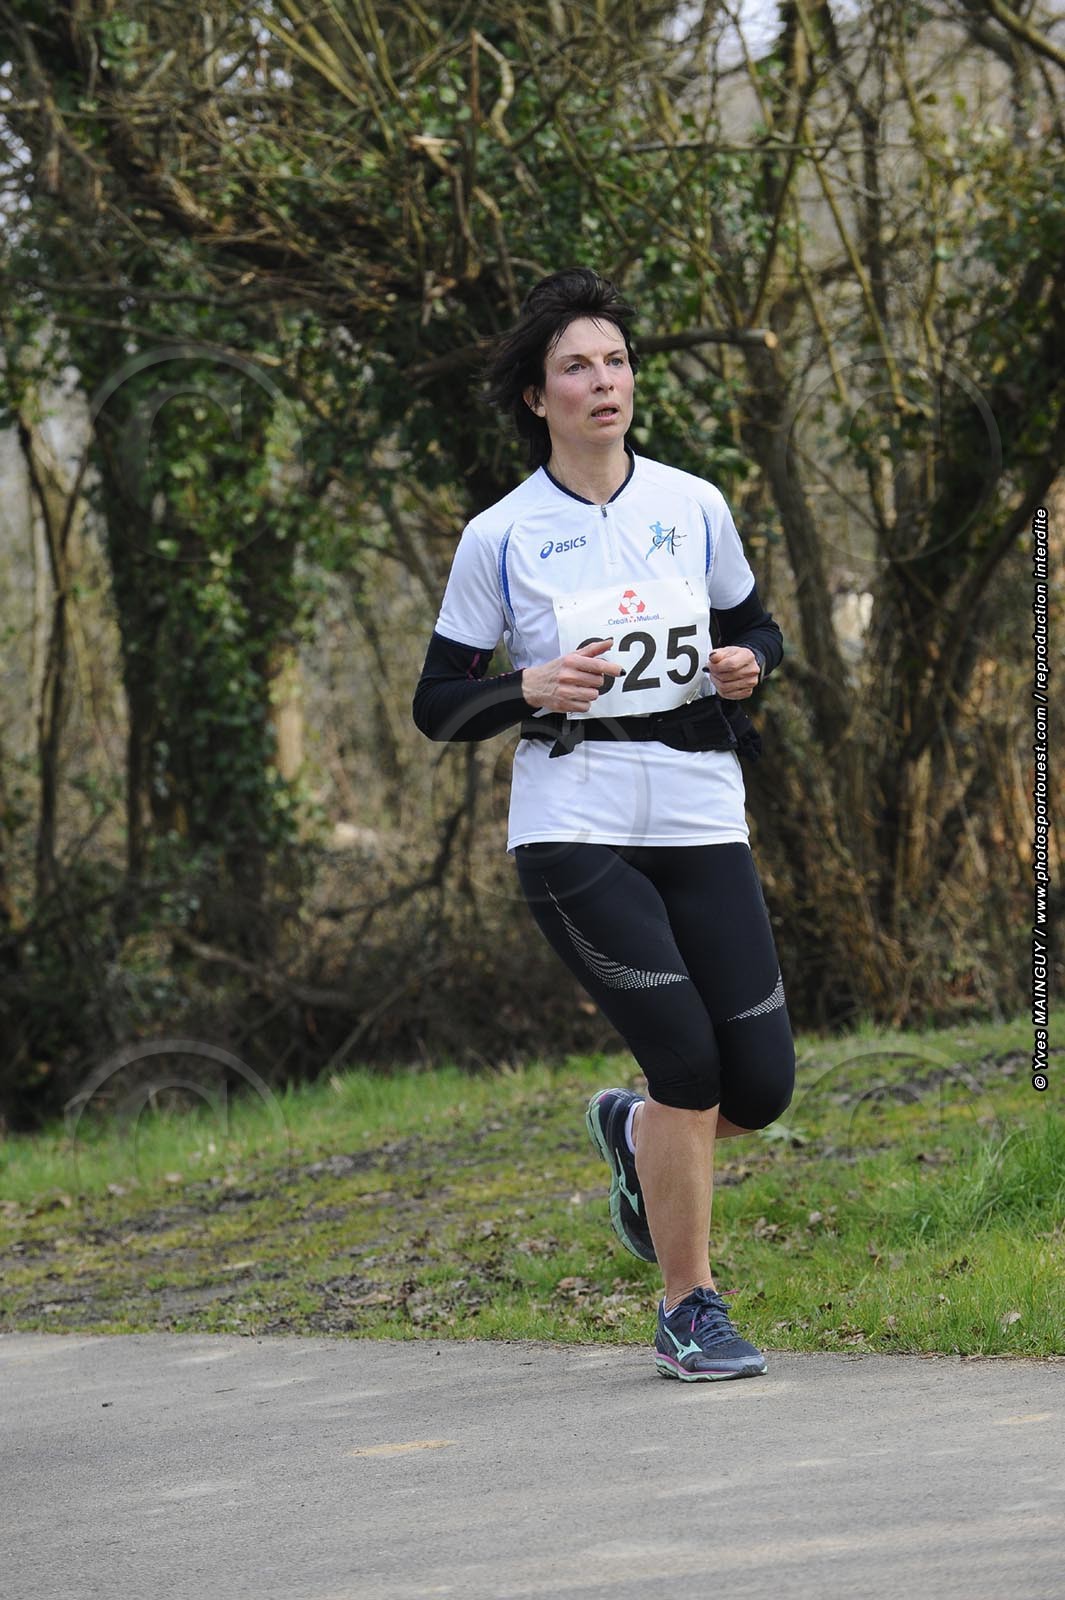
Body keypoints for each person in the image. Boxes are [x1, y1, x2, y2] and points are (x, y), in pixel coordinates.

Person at [413, 267, 795, 1381]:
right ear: (539, 398)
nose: (603, 381)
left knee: (758, 1085)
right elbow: (437, 703)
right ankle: (690, 1306)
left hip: (697, 805)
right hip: (573, 819)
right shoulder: (501, 535)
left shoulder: (693, 504)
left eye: (616, 361)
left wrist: (748, 661)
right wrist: (525, 686)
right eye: (575, 367)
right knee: (686, 1060)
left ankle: (633, 1134)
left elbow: (758, 627)